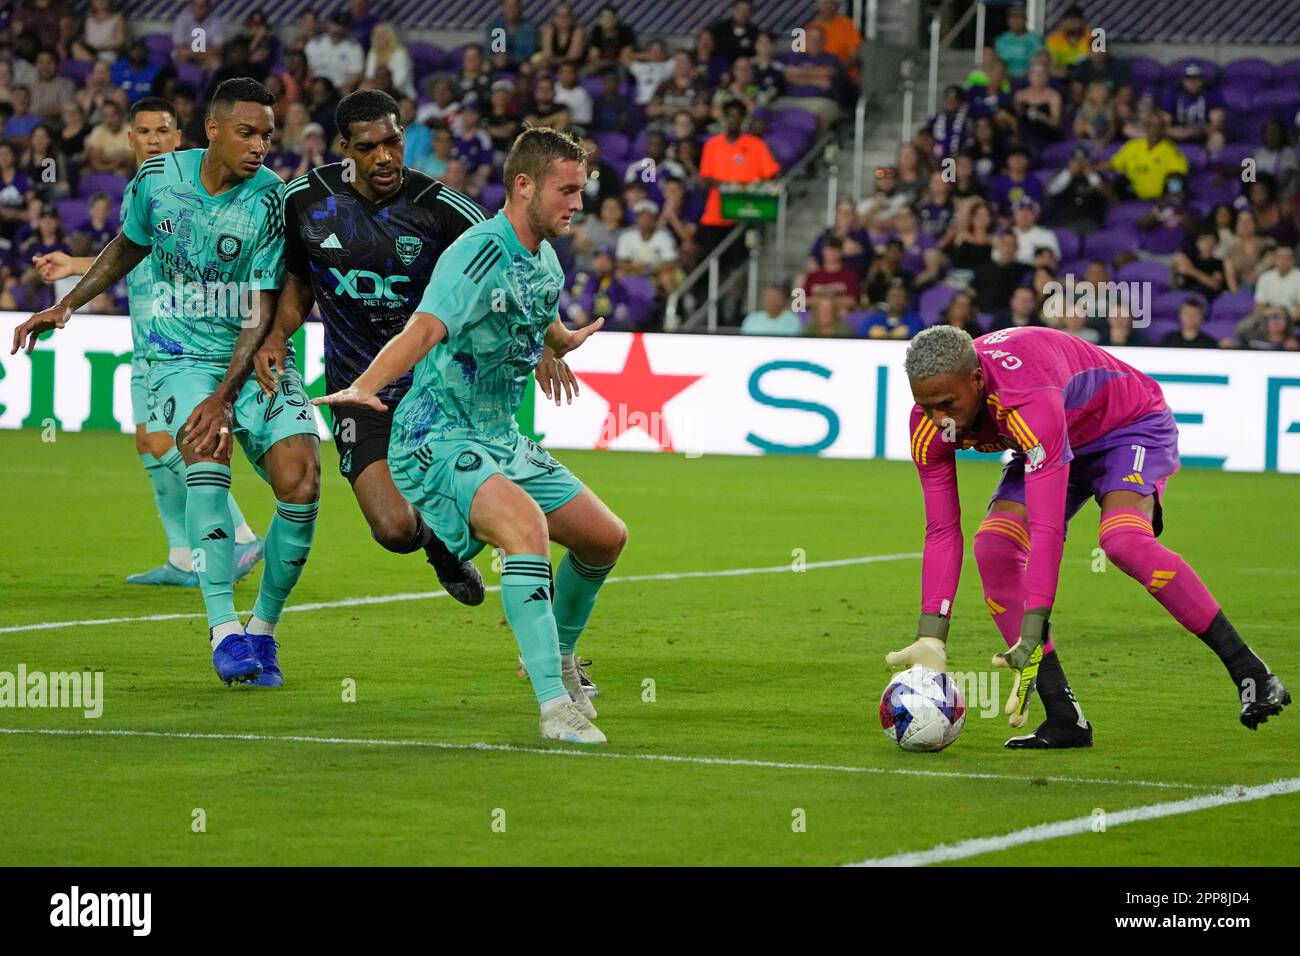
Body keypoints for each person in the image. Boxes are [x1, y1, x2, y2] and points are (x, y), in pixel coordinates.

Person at [313, 126, 627, 744]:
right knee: (526, 529)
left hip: (500, 436)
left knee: (604, 539)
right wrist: (364, 386)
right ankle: (552, 708)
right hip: (440, 436)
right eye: (567, 191)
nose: (577, 204)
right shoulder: (475, 252)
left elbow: (540, 317)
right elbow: (425, 329)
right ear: (524, 185)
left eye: (581, 191)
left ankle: (558, 657)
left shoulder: (545, 259)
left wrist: (561, 343)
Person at [12, 79, 320, 688]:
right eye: (247, 132)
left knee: (303, 483)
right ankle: (223, 629)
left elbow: (261, 309)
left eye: (268, 134)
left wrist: (223, 395)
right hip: (179, 356)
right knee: (204, 453)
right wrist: (67, 304)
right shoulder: (156, 182)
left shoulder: (270, 202)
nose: (261, 145)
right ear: (212, 130)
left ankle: (263, 628)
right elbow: (128, 247)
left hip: (249, 355)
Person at [886, 325, 1290, 748]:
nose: (939, 420)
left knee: (1123, 542)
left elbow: (1047, 528)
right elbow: (942, 529)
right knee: (996, 546)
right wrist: (932, 632)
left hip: (1127, 428)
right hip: (1048, 442)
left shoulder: (1025, 396)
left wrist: (1032, 625)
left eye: (947, 404)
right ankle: (1065, 718)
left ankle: (1252, 674)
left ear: (976, 379)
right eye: (925, 405)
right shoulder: (930, 425)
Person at [254, 89, 512, 612]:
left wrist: (545, 340)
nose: (386, 156)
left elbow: (512, 262)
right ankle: (439, 544)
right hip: (356, 388)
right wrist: (278, 335)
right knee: (393, 529)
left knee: (498, 516)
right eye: (369, 147)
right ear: (344, 148)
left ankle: (541, 633)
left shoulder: (441, 207)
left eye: (393, 141)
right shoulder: (304, 199)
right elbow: (298, 280)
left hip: (437, 391)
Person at [30, 97, 265, 586]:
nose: (153, 139)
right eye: (143, 132)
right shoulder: (142, 188)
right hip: (144, 338)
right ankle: (182, 556)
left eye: (163, 131)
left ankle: (240, 534)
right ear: (129, 139)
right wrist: (74, 269)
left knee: (165, 440)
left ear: (180, 137)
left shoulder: (188, 187)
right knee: (146, 443)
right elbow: (134, 250)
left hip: (177, 342)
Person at [1101, 113, 1188, 201]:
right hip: (1133, 194)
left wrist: (1172, 195)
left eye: (1158, 126)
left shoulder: (1171, 150)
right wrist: (1093, 168)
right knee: (1115, 182)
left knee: (1175, 178)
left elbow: (1177, 175)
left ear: (1163, 129)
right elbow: (1113, 164)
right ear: (1145, 127)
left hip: (1160, 198)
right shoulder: (1133, 145)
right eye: (1150, 125)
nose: (1154, 130)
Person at [305, 10, 365, 95]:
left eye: (342, 25)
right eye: (335, 24)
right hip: (315, 87)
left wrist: (335, 91)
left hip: (338, 90)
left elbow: (354, 75)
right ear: (328, 24)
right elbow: (308, 70)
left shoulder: (354, 47)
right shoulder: (315, 44)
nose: (338, 29)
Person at [993, 3, 1043, 80]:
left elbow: (1039, 61)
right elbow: (998, 62)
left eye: (1019, 17)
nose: (1015, 20)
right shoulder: (1001, 40)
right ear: (1008, 21)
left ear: (1025, 19)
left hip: (1029, 79)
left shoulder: (1035, 39)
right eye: (1012, 17)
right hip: (1005, 78)